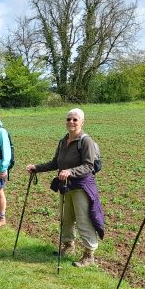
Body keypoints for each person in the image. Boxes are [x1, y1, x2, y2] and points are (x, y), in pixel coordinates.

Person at [26, 108, 104, 267]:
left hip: (81, 186)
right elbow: (56, 163)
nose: (71, 122)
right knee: (65, 219)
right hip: (66, 186)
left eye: (75, 120)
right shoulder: (63, 141)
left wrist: (70, 171)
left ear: (82, 122)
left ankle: (89, 255)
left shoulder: (85, 141)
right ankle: (69, 247)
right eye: (69, 119)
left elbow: (88, 166)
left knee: (84, 220)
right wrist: (37, 168)